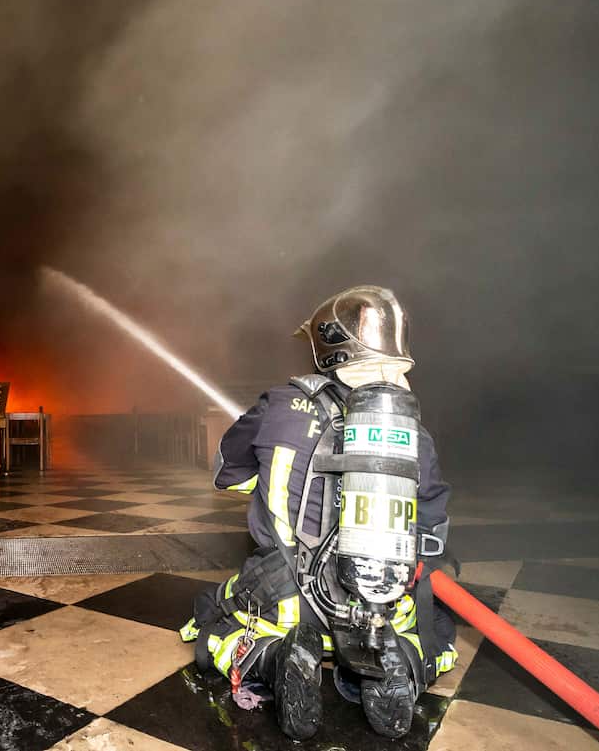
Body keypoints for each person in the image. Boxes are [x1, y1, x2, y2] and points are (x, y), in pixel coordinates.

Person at [180, 285, 458, 740]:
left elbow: (225, 472)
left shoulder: (278, 405)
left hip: (288, 602)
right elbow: (432, 525)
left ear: (328, 344)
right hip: (379, 606)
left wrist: (274, 475)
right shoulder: (413, 433)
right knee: (438, 627)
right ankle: (395, 665)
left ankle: (272, 658)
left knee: (213, 621)